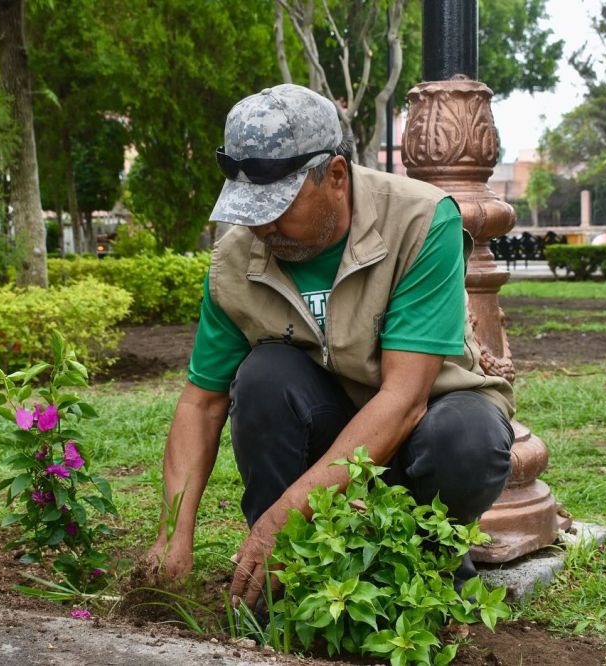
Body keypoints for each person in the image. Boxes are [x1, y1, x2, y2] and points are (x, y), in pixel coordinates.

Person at [144, 84, 514, 608]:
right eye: (252, 209)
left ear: (336, 176)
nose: (264, 226)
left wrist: (289, 511)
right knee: (263, 376)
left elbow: (405, 399)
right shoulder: (234, 261)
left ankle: (428, 574)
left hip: (425, 422)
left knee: (466, 436)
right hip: (329, 430)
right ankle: (286, 575)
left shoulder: (420, 220)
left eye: (280, 206)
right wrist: (172, 537)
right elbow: (201, 404)